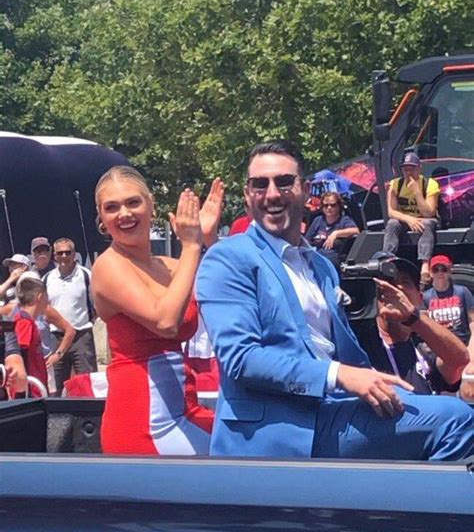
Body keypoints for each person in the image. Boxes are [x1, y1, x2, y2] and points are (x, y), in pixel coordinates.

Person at [197, 139, 474, 461]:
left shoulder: (321, 266)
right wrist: (339, 374)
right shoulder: (228, 258)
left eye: (284, 182)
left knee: (451, 410)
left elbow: (351, 355)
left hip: (333, 410)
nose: (271, 194)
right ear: (247, 195)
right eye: (260, 184)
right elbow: (242, 359)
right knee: (457, 420)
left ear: (305, 190)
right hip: (279, 429)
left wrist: (390, 371)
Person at [92, 166, 224, 455]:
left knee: (251, 446)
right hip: (144, 423)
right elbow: (165, 321)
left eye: (133, 202)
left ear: (151, 204)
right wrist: (191, 247)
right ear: (101, 218)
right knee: (240, 457)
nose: (124, 214)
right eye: (111, 207)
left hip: (184, 409)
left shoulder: (169, 266)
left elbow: (229, 290)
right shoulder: (108, 266)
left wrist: (208, 239)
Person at [356, 253, 469, 395]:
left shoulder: (424, 346)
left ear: (420, 297)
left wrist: (412, 317)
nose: (397, 288)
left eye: (405, 281)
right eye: (388, 282)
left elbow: (459, 361)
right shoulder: (359, 345)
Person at [43, 238, 98, 393]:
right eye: (60, 253)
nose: (64, 256)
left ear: (74, 254)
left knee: (86, 384)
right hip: (56, 338)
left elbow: (97, 304)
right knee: (55, 387)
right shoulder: (47, 278)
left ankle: (87, 410)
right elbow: (43, 308)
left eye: (68, 252)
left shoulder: (86, 275)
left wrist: (90, 320)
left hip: (82, 336)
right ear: (54, 255)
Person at [382, 152, 439, 288]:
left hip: (424, 219)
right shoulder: (396, 184)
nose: (408, 172)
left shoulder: (430, 184)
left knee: (427, 223)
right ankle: (387, 258)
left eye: (412, 168)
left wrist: (417, 192)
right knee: (392, 224)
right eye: (405, 169)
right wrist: (408, 219)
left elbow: (429, 213)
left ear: (419, 168)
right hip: (406, 220)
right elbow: (391, 212)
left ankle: (425, 264)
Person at [4, 272, 49, 394]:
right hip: (30, 390)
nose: (48, 301)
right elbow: (20, 354)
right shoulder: (24, 321)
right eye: (46, 296)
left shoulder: (27, 320)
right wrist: (24, 390)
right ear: (40, 297)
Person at [422, 255, 474, 356]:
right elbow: (423, 327)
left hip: (462, 344)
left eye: (444, 269)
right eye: (436, 269)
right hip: (437, 348)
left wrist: (471, 348)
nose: (440, 272)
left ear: (449, 271)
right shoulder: (425, 297)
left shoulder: (462, 292)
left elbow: (472, 322)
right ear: (431, 273)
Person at [306, 192, 359, 267]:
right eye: (326, 205)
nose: (329, 208)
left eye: (333, 205)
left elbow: (356, 231)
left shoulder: (344, 220)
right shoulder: (318, 220)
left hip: (335, 261)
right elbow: (307, 241)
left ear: (339, 206)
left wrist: (335, 234)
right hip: (317, 259)